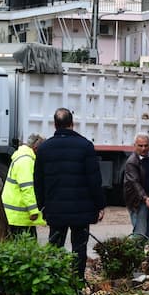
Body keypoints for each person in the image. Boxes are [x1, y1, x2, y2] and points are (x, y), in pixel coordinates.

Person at [34, 108, 106, 285]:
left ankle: (53, 281)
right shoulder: (85, 146)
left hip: (55, 209)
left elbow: (38, 181)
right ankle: (77, 282)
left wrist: (41, 205)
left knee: (55, 247)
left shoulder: (43, 149)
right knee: (79, 248)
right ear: (72, 124)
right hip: (81, 210)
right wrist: (100, 205)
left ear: (55, 125)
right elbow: (94, 180)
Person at [1, 133, 45, 239]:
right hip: (20, 216)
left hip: (15, 214)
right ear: (35, 148)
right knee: (27, 248)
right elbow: (27, 188)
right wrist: (34, 211)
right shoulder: (26, 161)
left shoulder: (22, 157)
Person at [123, 133, 149, 239]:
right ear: (135, 145)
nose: (143, 148)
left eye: (146, 145)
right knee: (140, 234)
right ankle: (127, 251)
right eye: (140, 145)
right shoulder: (132, 162)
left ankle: (138, 254)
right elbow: (134, 182)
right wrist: (144, 197)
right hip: (138, 201)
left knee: (148, 233)